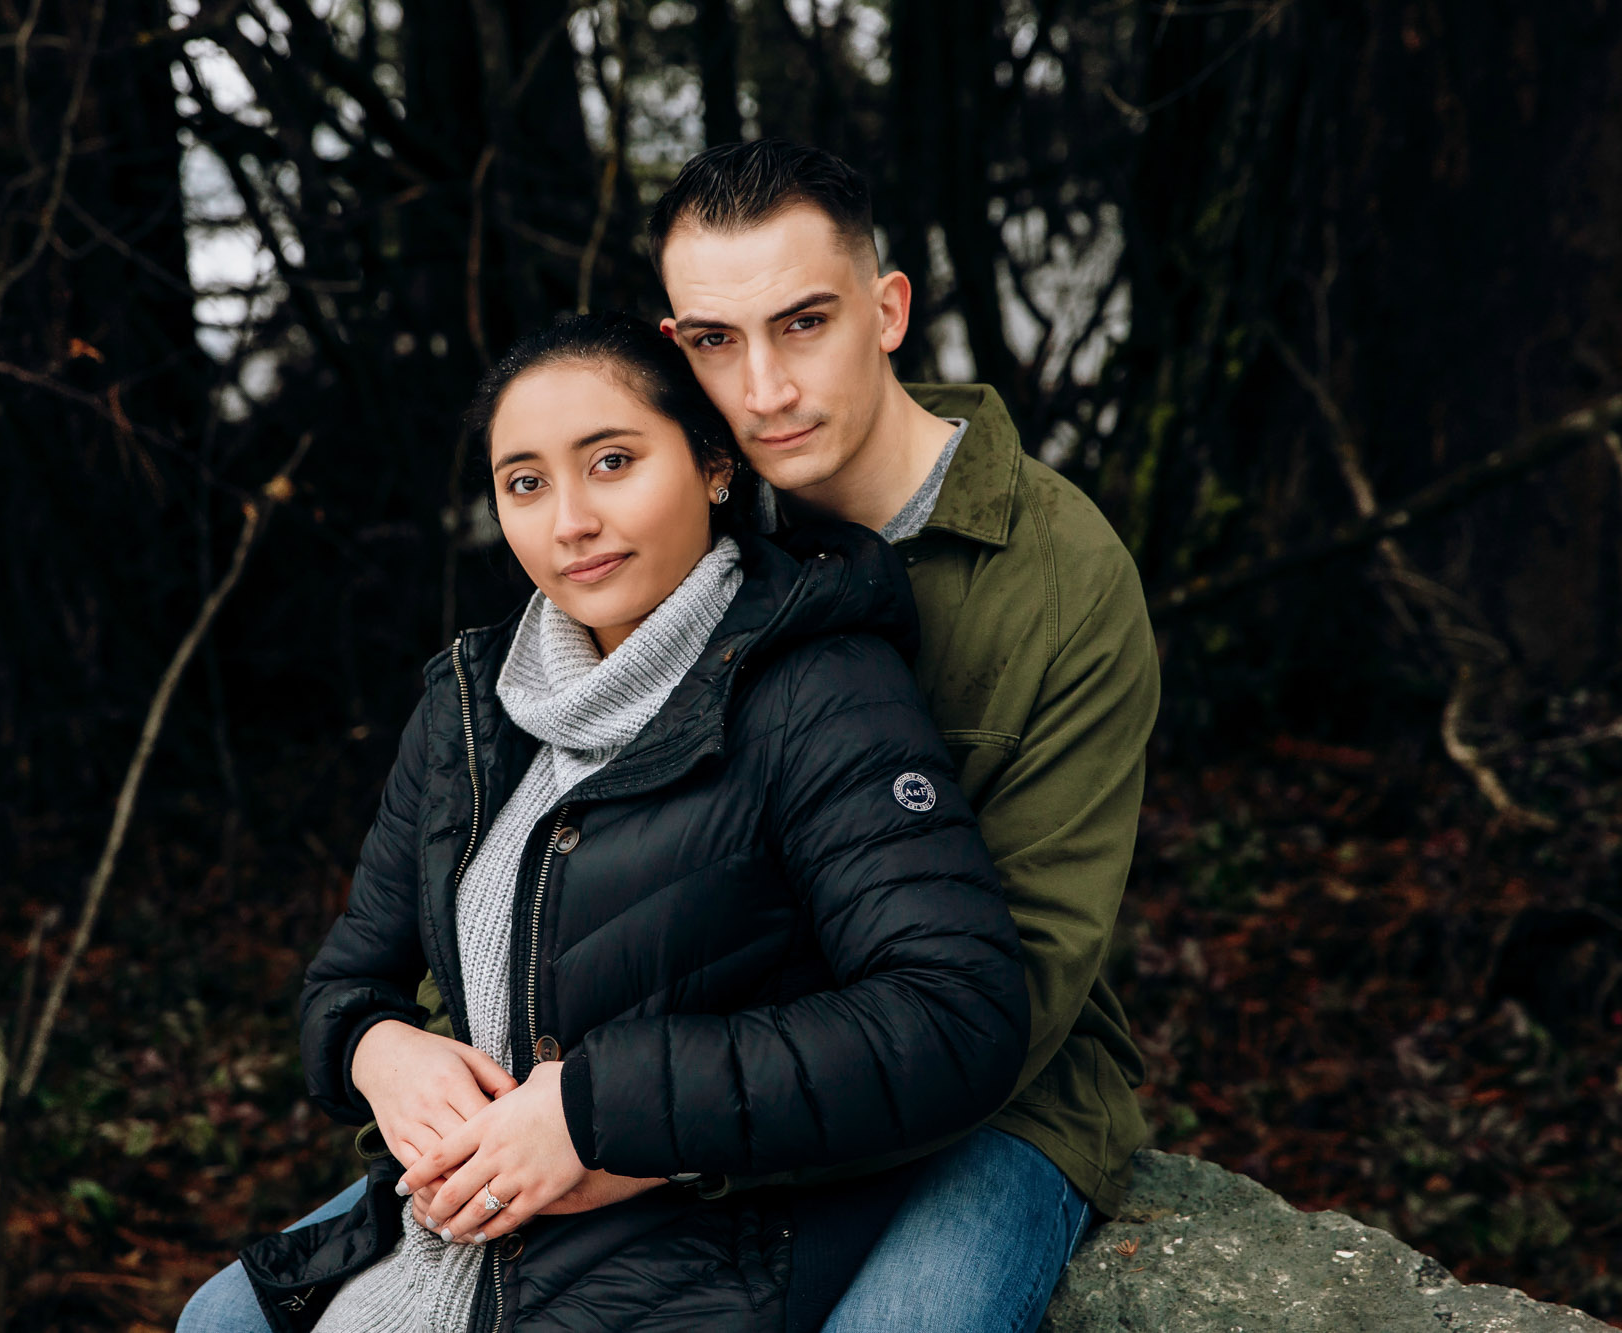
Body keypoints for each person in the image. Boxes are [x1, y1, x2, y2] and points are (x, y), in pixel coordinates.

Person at [194, 311, 1028, 1332]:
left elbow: (952, 1012)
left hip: (714, 1224)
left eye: (612, 461)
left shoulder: (817, 683)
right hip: (484, 1212)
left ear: (714, 464)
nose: (569, 520)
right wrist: (378, 1050)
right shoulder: (469, 707)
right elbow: (345, 978)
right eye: (526, 483)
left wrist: (596, 1112)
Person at [640, 139, 1161, 1333]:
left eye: (803, 323)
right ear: (675, 349)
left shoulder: (1064, 575)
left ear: (886, 311)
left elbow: (1021, 978)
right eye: (717, 341)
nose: (763, 387)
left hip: (985, 1104)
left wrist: (670, 1133)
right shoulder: (669, 533)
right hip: (690, 1089)